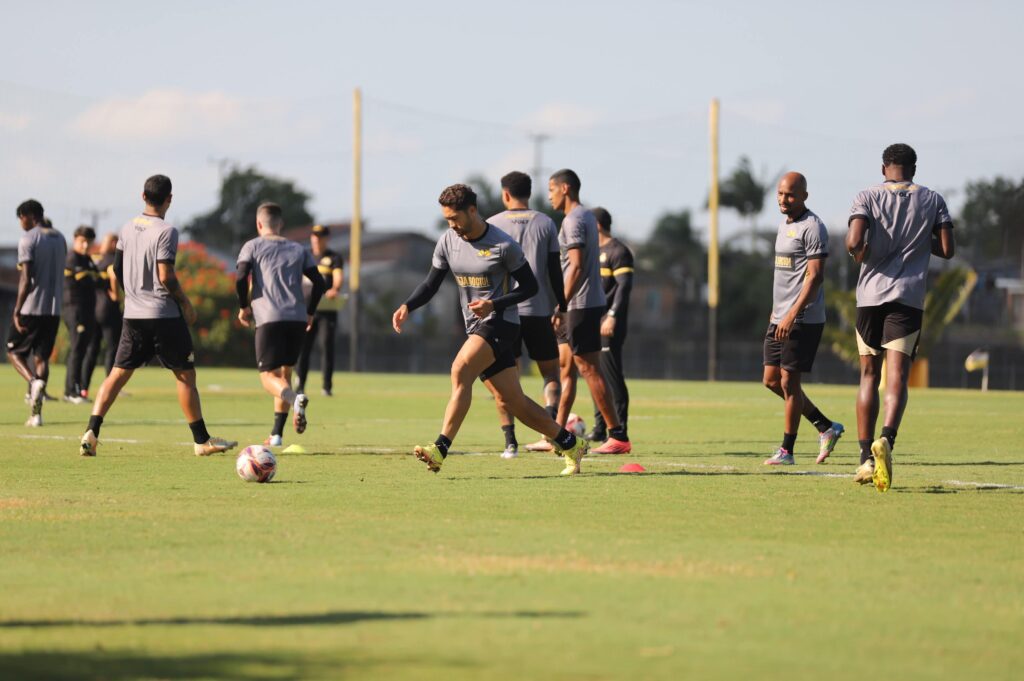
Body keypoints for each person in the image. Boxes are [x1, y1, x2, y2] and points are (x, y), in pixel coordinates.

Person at [392, 183, 587, 475]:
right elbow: (432, 283)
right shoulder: (447, 241)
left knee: (460, 370)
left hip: (502, 323)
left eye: (455, 218)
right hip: (477, 327)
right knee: (514, 401)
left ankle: (440, 448)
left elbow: (530, 286)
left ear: (472, 210)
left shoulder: (502, 245)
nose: (452, 225)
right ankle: (571, 443)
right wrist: (408, 305)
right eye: (447, 219)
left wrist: (494, 305)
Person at [78, 175, 237, 457]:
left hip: (134, 314)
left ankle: (91, 431)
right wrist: (186, 303)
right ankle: (201, 441)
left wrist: (133, 295)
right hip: (163, 315)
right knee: (185, 376)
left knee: (117, 374)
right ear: (169, 199)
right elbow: (166, 275)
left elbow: (116, 268)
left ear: (143, 196)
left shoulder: (127, 228)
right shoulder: (167, 231)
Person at [846, 144, 955, 491]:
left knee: (868, 374)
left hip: (869, 298)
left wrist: (860, 252)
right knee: (897, 378)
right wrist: (923, 242)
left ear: (884, 169)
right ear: (914, 169)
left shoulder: (866, 196)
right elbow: (948, 249)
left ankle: (865, 456)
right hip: (907, 299)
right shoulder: (933, 200)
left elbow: (853, 241)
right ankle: (886, 440)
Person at [760, 173, 844, 466]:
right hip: (779, 316)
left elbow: (815, 277)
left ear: (805, 196)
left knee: (789, 383)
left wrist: (793, 313)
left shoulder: (813, 227)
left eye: (791, 195)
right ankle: (825, 426)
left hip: (802, 318)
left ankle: (787, 451)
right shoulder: (784, 226)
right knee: (771, 381)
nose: (784, 199)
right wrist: (777, 312)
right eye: (781, 194)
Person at [546, 169, 631, 455]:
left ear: (565, 189)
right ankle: (556, 436)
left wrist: (562, 303)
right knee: (567, 368)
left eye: (552, 189)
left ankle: (617, 436)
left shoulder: (574, 219)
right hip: (580, 303)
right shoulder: (582, 218)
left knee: (588, 368)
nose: (550, 196)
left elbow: (578, 265)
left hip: (580, 304)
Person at [485, 171, 566, 458]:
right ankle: (549, 429)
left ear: (505, 194)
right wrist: (563, 307)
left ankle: (510, 443)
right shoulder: (546, 222)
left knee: (505, 381)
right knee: (551, 374)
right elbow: (555, 271)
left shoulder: (492, 224)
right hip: (538, 311)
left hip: (504, 313)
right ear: (529, 193)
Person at [236, 202, 326, 448]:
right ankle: (277, 434)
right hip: (297, 318)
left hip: (269, 318)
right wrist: (309, 312)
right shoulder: (298, 248)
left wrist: (244, 306)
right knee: (285, 373)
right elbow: (319, 283)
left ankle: (296, 399)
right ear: (281, 224)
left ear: (258, 224)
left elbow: (241, 276)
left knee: (268, 377)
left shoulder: (252, 246)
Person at [6, 200, 66, 426]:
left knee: (13, 350)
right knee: (42, 358)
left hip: (32, 307)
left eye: (21, 219)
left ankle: (32, 382)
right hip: (54, 310)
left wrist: (17, 309)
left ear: (27, 216)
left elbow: (26, 278)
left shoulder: (29, 238)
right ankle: (36, 414)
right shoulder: (60, 238)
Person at [584, 207, 635, 444]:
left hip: (610, 323)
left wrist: (612, 315)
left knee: (611, 375)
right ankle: (599, 428)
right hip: (592, 321)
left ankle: (620, 430)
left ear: (596, 226)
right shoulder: (591, 251)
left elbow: (623, 288)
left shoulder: (618, 251)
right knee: (596, 375)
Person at [295, 224, 344, 396]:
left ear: (326, 238)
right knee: (303, 348)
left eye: (320, 236)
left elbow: (338, 278)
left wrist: (335, 289)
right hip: (306, 307)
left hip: (326, 310)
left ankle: (326, 386)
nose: (316, 239)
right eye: (314, 235)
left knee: (326, 346)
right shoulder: (304, 255)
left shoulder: (334, 257)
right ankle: (300, 384)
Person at [82, 233, 123, 396]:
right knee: (113, 348)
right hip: (108, 309)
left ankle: (83, 388)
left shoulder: (95, 259)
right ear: (113, 243)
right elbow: (113, 274)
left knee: (92, 349)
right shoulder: (112, 259)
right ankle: (111, 386)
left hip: (94, 309)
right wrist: (116, 294)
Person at [62, 226, 100, 403]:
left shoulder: (88, 259)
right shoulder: (72, 258)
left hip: (87, 310)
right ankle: (71, 391)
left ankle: (77, 389)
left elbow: (97, 280)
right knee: (77, 349)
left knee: (83, 349)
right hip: (74, 309)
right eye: (82, 241)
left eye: (89, 242)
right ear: (75, 239)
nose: (85, 245)